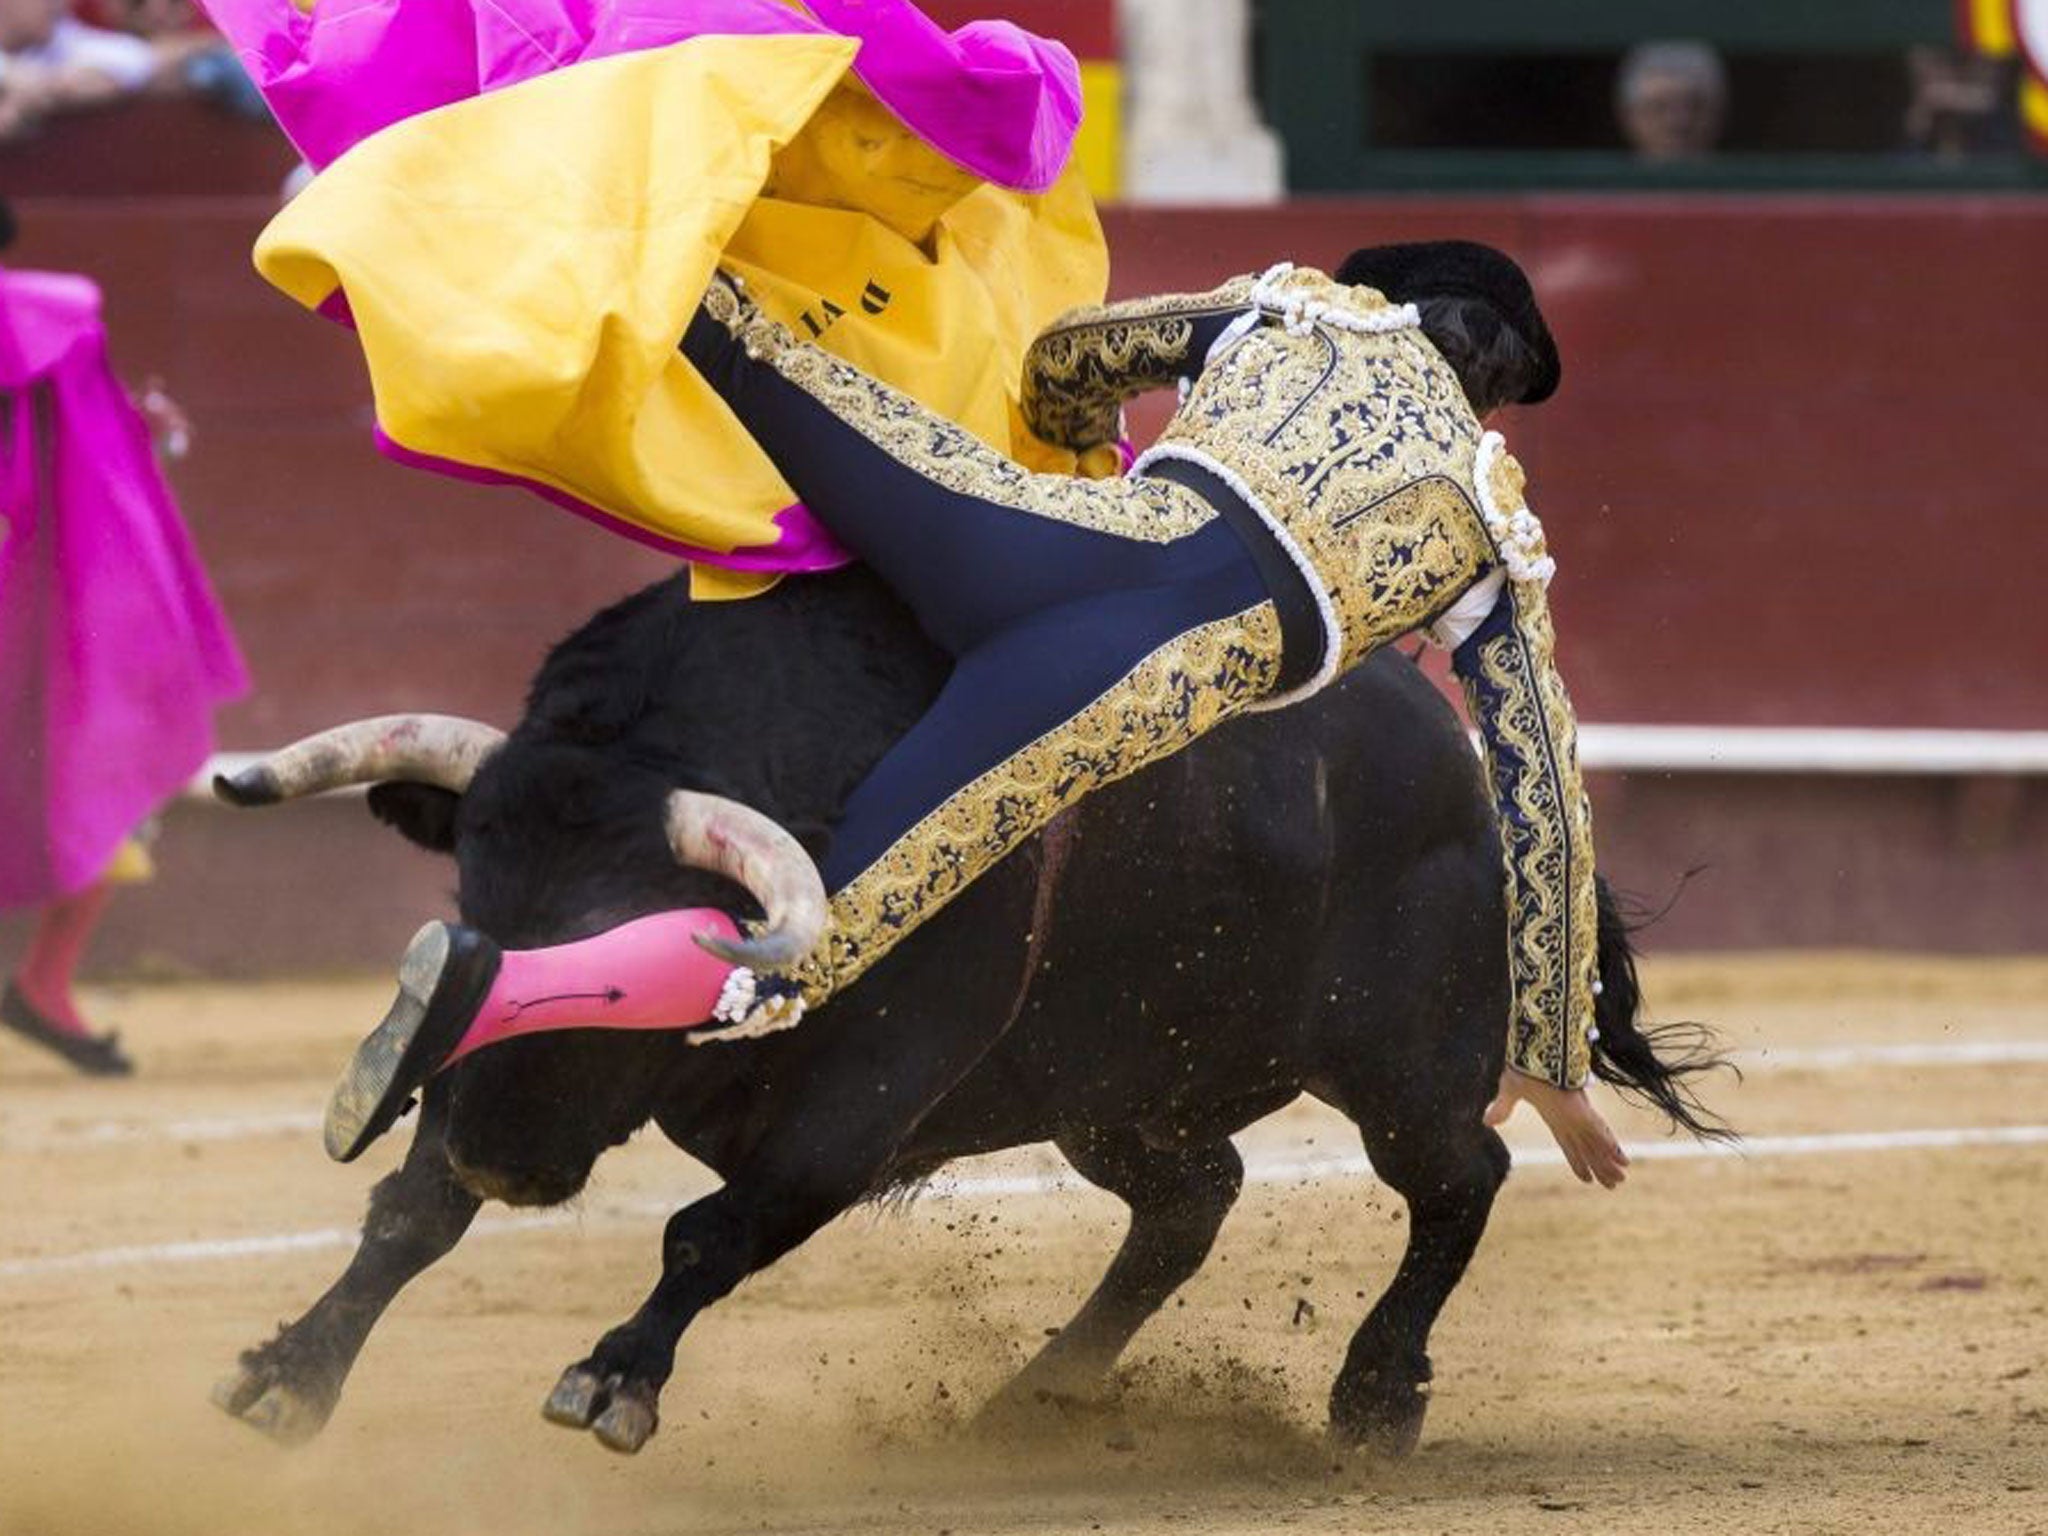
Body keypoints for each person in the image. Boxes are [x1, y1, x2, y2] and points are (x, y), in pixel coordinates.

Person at [315, 242, 1630, 1191]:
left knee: (739, 345)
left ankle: (457, 212)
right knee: (799, 939)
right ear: (1497, 396)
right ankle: (509, 994)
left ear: (1380, 298)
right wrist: (1553, 1046)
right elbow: (1543, 807)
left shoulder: (1294, 319)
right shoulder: (1488, 538)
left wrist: (1072, 449)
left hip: (1024, 535)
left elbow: (1072, 357)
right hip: (1110, 686)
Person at [0, 195, 249, 1074]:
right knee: (101, 757)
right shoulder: (53, 325)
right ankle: (44, 980)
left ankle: (45, 982)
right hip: (41, 602)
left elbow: (85, 463)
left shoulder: (53, 329)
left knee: (100, 764)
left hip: (33, 595)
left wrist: (142, 441)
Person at [1615, 40, 1726, 162]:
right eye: (1659, 107)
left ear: (1717, 112)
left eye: (1694, 106)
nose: (1679, 122)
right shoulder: (1602, 181)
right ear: (1629, 115)